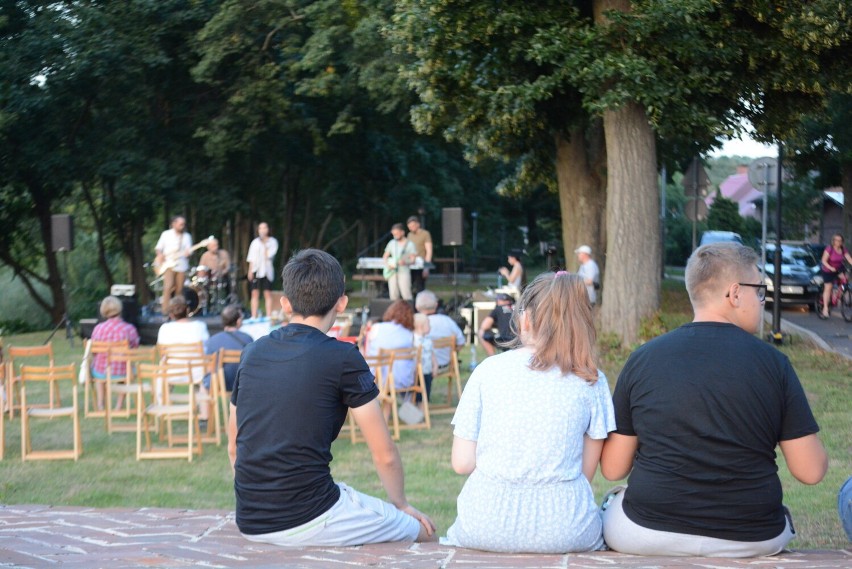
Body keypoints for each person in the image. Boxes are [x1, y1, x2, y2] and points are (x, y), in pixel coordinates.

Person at [600, 242, 828, 558]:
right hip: (752, 534)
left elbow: (613, 468)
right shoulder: (774, 364)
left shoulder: (642, 359)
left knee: (612, 503)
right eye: (760, 290)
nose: (763, 301)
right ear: (735, 294)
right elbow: (811, 471)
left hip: (647, 530)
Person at [228, 249, 435, 547]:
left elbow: (234, 446)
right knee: (425, 532)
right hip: (310, 516)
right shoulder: (343, 357)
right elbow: (384, 453)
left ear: (286, 304)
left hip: (249, 520)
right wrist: (401, 504)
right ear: (342, 302)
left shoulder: (251, 353)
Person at [442, 272, 615, 553]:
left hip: (483, 523)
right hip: (566, 527)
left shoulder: (488, 371)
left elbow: (462, 463)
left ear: (525, 319)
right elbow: (585, 473)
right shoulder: (591, 380)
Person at [157, 295, 211, 417]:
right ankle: (204, 415)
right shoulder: (199, 326)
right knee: (207, 370)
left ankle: (162, 408)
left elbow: (162, 353)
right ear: (187, 310)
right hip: (196, 372)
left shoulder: (164, 329)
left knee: (161, 370)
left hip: (171, 372)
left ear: (171, 314)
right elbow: (206, 350)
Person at [90, 295, 140, 411]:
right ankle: (119, 405)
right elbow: (134, 348)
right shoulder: (129, 328)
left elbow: (94, 350)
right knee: (127, 370)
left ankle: (101, 404)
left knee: (97, 373)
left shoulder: (98, 328)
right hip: (123, 370)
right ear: (119, 309)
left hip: (102, 371)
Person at [365, 300, 416, 392]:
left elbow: (367, 351)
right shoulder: (409, 335)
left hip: (376, 378)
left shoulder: (376, 328)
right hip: (403, 380)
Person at [204, 304, 253, 393]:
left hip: (221, 382)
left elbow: (209, 367)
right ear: (238, 321)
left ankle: (207, 407)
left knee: (204, 383)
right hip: (243, 382)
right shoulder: (248, 339)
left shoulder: (213, 340)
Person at [414, 290, 465, 369]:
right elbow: (461, 342)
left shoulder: (415, 323)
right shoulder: (447, 321)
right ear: (436, 305)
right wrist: (452, 356)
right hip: (446, 366)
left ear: (417, 306)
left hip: (422, 368)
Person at [154, 215, 193, 315]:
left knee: (179, 289)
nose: (182, 226)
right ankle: (165, 311)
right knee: (168, 286)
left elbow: (189, 252)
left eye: (183, 224)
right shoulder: (166, 234)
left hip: (182, 265)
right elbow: (158, 248)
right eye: (180, 224)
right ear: (174, 224)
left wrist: (188, 254)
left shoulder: (187, 236)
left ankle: (178, 312)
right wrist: (160, 256)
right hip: (169, 265)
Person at [247, 222, 279, 319]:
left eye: (264, 228)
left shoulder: (273, 242)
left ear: (268, 229)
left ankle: (269, 315)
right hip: (256, 270)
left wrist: (264, 243)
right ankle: (253, 315)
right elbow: (251, 258)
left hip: (267, 270)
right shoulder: (255, 242)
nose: (262, 230)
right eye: (260, 228)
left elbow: (269, 255)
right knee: (254, 293)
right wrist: (250, 270)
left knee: (267, 293)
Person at [818, 233, 852, 319]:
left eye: (840, 240)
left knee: (845, 280)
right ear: (833, 241)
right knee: (828, 287)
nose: (838, 242)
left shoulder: (843, 249)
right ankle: (825, 308)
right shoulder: (829, 249)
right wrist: (830, 267)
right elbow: (823, 261)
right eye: (836, 240)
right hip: (828, 269)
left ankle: (837, 294)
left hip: (838, 269)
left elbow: (849, 259)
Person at [383, 223, 417, 301]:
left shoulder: (410, 244)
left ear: (402, 232)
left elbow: (413, 260)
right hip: (392, 272)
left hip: (404, 271)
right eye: (394, 234)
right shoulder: (391, 243)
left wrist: (405, 262)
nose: (395, 235)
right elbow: (385, 256)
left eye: (397, 233)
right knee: (393, 294)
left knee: (406, 293)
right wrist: (388, 265)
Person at [477, 293, 515, 357]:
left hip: (505, 340)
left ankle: (492, 358)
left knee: (481, 332)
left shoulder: (498, 309)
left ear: (499, 301)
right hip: (520, 341)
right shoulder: (518, 308)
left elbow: (485, 326)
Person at [412, 313, 436, 408]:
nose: (430, 327)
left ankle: (422, 413)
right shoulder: (413, 340)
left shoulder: (428, 340)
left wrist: (435, 365)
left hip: (427, 371)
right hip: (416, 372)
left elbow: (432, 353)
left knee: (426, 391)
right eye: (428, 324)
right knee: (416, 394)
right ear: (420, 326)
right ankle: (414, 412)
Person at [407, 216, 433, 295]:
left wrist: (426, 267)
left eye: (412, 226)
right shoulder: (409, 235)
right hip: (410, 263)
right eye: (409, 227)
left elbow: (429, 251)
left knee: (420, 287)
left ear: (418, 224)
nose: (411, 228)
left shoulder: (425, 234)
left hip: (421, 264)